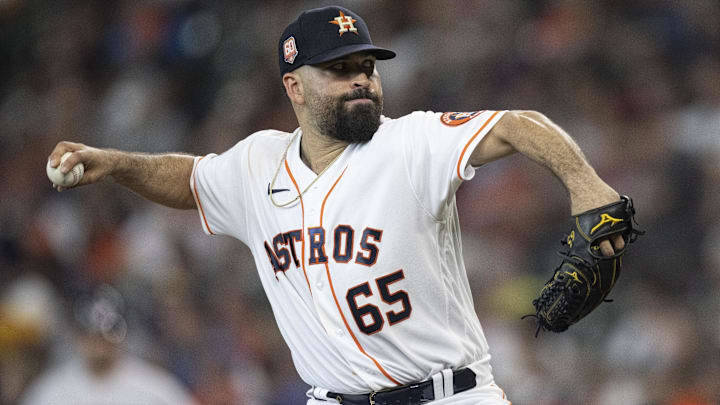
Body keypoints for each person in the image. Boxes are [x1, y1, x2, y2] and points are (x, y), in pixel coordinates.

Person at [47, 5, 627, 404]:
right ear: (294, 86)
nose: (361, 81)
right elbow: (192, 179)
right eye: (340, 69)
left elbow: (517, 125)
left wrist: (585, 183)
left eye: (367, 67)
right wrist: (115, 163)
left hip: (451, 394)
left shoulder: (410, 143)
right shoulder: (258, 164)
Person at [19, 286, 196, 405]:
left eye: (107, 331)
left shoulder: (157, 391)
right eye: (90, 332)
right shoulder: (50, 392)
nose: (98, 341)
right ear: (77, 336)